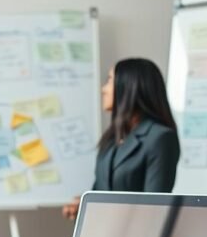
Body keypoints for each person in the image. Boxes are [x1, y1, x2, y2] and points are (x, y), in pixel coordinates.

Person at [62, 58, 180, 219]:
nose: (104, 89)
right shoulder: (112, 138)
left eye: (109, 80)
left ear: (130, 85)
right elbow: (103, 191)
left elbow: (154, 208)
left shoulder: (159, 138)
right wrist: (84, 206)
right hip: (104, 234)